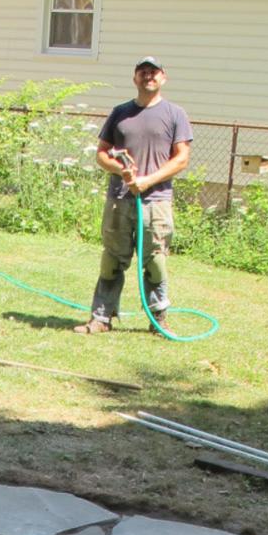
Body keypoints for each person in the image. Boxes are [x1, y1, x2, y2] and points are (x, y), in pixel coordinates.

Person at [77, 58, 193, 335]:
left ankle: (158, 320)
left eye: (153, 73)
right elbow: (102, 154)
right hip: (119, 199)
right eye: (143, 72)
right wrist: (122, 170)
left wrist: (147, 181)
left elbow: (182, 159)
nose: (148, 77)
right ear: (135, 78)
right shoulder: (120, 113)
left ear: (163, 77)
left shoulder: (175, 114)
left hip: (156, 202)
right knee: (112, 259)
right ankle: (101, 318)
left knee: (154, 260)